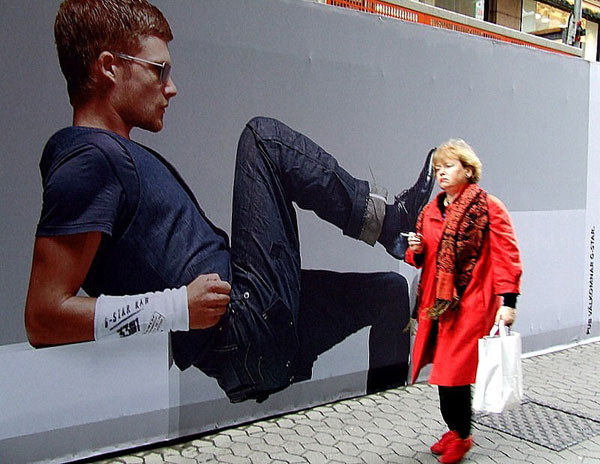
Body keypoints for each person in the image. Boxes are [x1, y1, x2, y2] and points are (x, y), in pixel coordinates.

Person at [24, 0, 435, 404]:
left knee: (391, 293)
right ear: (109, 67)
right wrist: (177, 308)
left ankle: (387, 413)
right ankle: (393, 223)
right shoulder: (87, 161)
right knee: (265, 140)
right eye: (159, 70)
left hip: (251, 320)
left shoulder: (110, 156)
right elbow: (44, 318)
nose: (171, 87)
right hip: (242, 328)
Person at [404, 139, 522, 463]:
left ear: (468, 170)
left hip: (471, 304)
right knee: (444, 374)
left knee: (451, 373)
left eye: (448, 166)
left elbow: (507, 255)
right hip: (438, 305)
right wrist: (416, 249)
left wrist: (508, 301)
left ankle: (462, 436)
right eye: (437, 169)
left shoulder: (488, 207)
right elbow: (420, 258)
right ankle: (455, 430)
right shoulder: (430, 211)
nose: (440, 173)